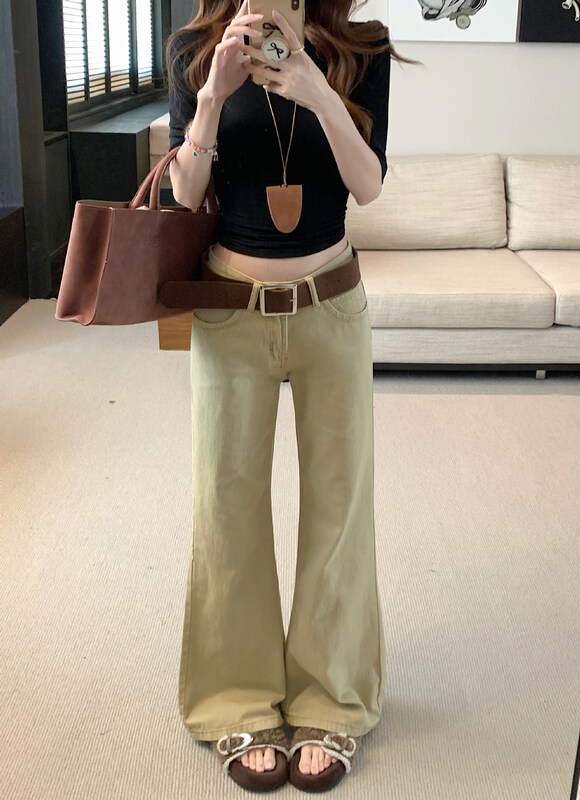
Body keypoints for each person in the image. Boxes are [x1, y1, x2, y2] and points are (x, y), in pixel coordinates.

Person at [165, 0, 417, 792]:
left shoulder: (360, 49)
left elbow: (368, 187)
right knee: (226, 504)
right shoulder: (194, 49)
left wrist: (315, 89)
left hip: (331, 307)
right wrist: (212, 97)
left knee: (339, 506)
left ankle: (332, 699)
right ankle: (234, 698)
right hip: (230, 309)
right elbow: (183, 194)